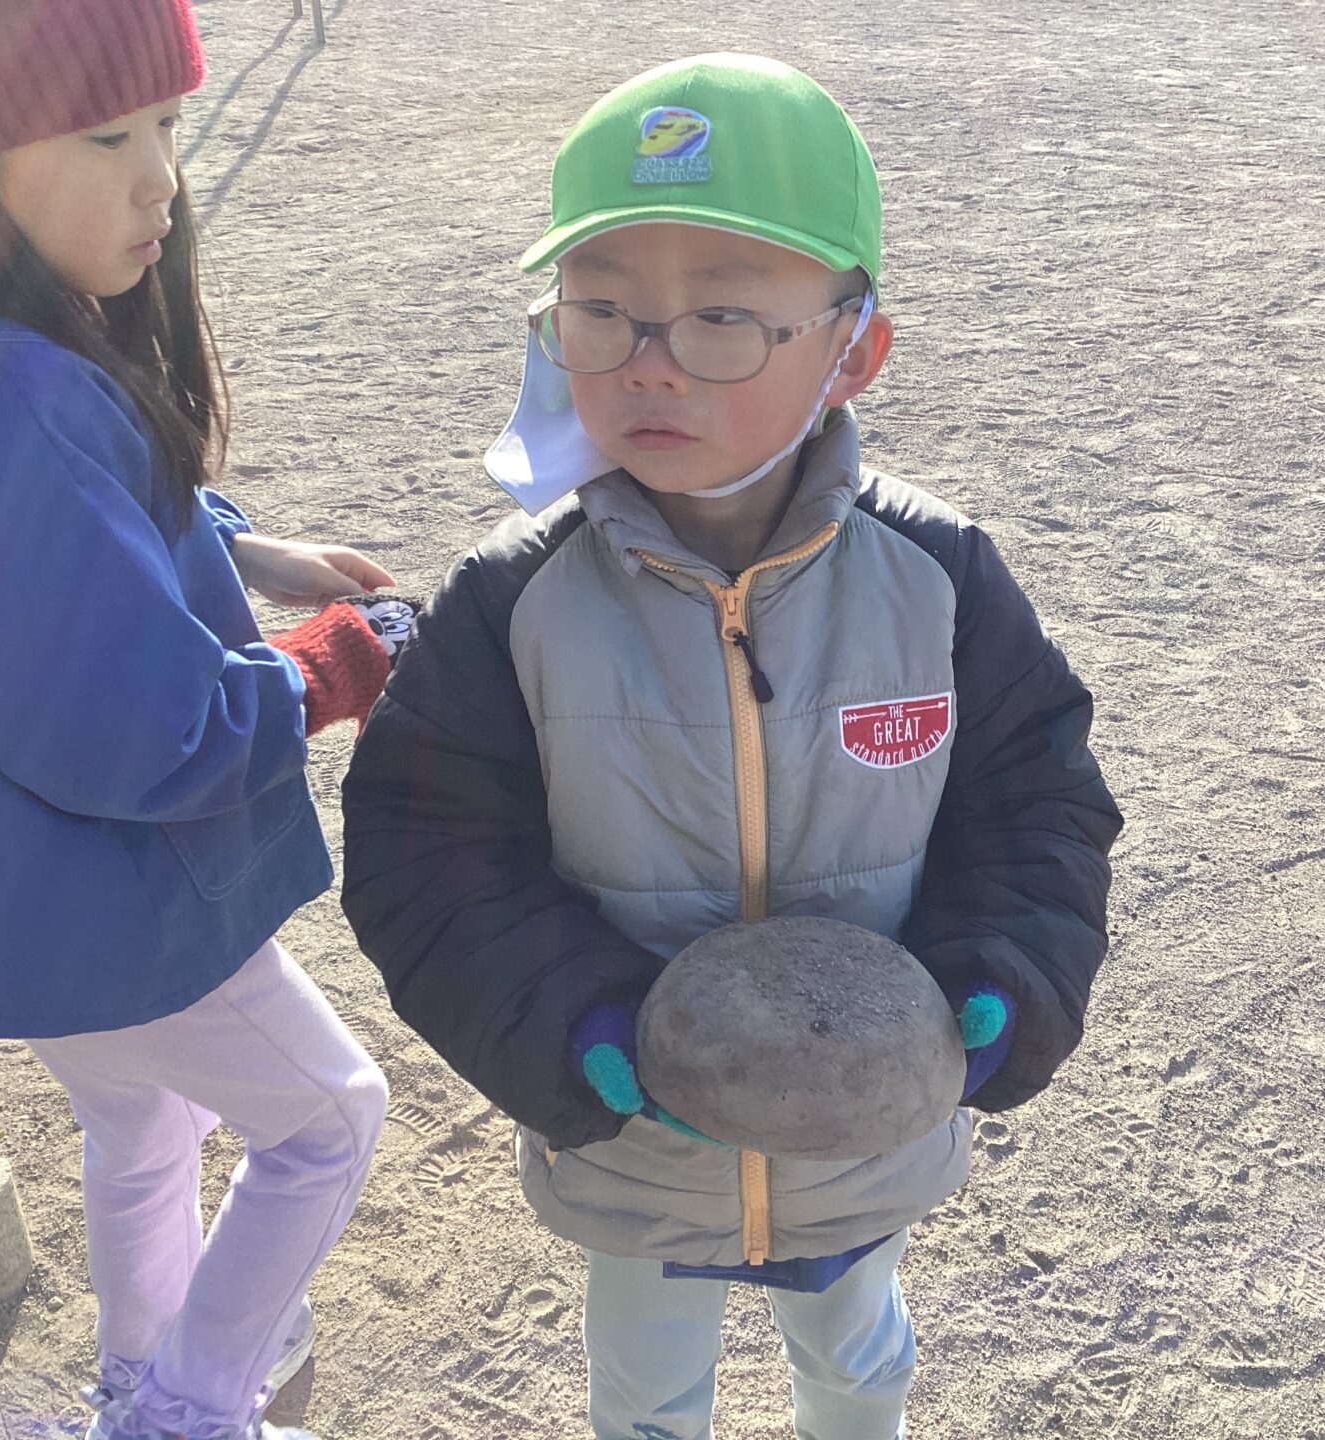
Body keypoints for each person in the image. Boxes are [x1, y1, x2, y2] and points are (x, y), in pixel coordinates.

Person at [343, 53, 1123, 1440]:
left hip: (863, 1133)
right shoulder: (512, 601)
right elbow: (431, 862)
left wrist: (999, 975)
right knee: (646, 1391)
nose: (649, 361)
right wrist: (574, 1028)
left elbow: (1036, 807)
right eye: (600, 311)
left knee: (859, 1358)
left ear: (852, 351)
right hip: (639, 1147)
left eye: (721, 317)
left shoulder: (939, 579)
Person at [0, 4, 415, 1437]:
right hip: (104, 895)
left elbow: (40, 530)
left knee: (143, 1121)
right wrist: (338, 661)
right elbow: (140, 736)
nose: (162, 181)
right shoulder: (8, 390)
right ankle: (187, 1411)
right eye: (105, 136)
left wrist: (245, 549)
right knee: (329, 1120)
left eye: (168, 126)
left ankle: (138, 1373)